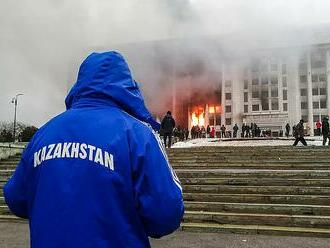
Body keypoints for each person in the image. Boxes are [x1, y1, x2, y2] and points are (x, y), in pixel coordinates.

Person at [4, 52, 184, 248]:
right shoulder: (139, 134)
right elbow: (166, 214)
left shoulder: (44, 134)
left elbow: (16, 199)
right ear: (127, 86)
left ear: (80, 84)